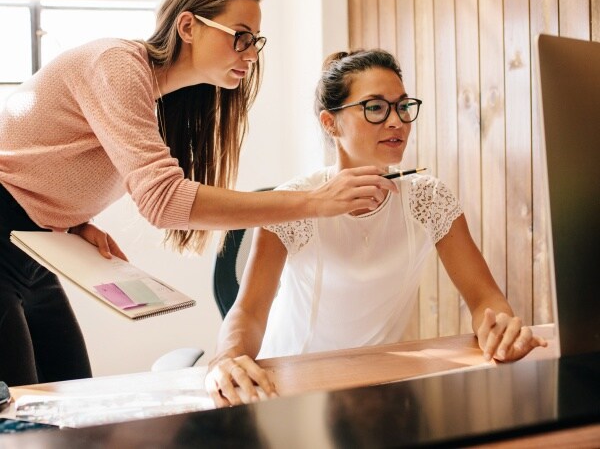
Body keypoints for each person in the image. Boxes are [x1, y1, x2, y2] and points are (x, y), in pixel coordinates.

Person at [0, 0, 395, 387]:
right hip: (9, 240)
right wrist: (316, 202)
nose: (250, 53)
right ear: (188, 25)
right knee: (18, 419)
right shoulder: (115, 65)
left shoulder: (155, 98)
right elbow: (165, 202)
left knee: (69, 402)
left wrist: (75, 221)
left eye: (255, 41)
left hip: (36, 249)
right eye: (240, 36)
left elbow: (43, 158)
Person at [205, 49, 548, 407]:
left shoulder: (429, 200)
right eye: (375, 108)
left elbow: (485, 299)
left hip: (378, 385)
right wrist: (226, 357)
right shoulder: (293, 202)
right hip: (288, 384)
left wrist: (500, 328)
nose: (397, 121)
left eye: (402, 106)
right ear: (330, 123)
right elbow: (248, 311)